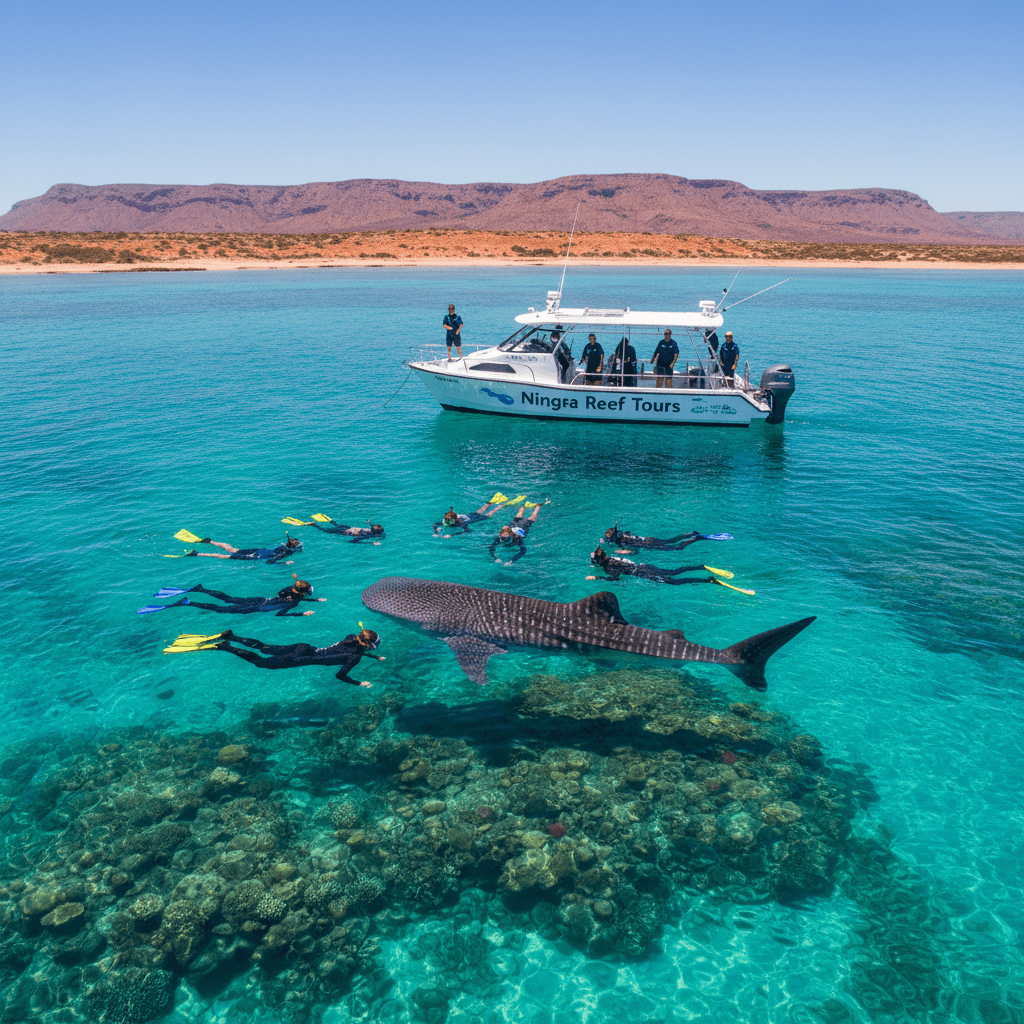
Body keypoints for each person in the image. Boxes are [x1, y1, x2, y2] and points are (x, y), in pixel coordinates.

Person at [165, 626, 386, 687]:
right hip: (297, 660)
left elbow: (351, 649)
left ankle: (232, 636)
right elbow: (340, 675)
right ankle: (226, 646)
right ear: (367, 645)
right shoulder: (355, 658)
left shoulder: (350, 637)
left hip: (304, 647)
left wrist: (373, 657)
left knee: (264, 647)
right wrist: (359, 683)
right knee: (260, 663)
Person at [139, 576, 327, 616]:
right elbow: (280, 614)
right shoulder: (294, 603)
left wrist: (313, 599)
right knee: (222, 609)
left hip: (261, 599)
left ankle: (200, 589)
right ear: (303, 593)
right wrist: (302, 614)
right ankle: (189, 602)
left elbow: (285, 594)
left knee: (228, 598)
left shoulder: (287, 589)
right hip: (258, 607)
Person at [586, 547, 723, 586]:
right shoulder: (611, 558)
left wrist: (597, 577)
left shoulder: (608, 568)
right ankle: (700, 567)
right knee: (673, 572)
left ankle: (708, 580)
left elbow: (615, 578)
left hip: (642, 573)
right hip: (645, 566)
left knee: (674, 582)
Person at [601, 524, 729, 553]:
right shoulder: (623, 534)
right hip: (649, 539)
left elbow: (634, 551)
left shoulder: (622, 542)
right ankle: (691, 534)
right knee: (670, 540)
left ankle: (696, 538)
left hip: (649, 545)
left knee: (677, 548)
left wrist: (626, 552)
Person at [183, 535, 302, 564]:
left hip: (261, 550)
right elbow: (270, 561)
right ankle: (197, 554)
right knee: (225, 556)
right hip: (257, 556)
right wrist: (284, 563)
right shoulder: (288, 552)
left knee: (233, 549)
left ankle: (210, 541)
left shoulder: (283, 545)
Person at [433, 501, 504, 537]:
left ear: (454, 520)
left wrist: (452, 535)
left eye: (449, 520)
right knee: (479, 511)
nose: (447, 522)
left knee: (487, 515)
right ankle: (489, 502)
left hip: (474, 518)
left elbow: (467, 531)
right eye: (446, 520)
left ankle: (500, 506)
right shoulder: (447, 521)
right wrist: (436, 532)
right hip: (469, 515)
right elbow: (434, 524)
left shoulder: (461, 523)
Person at [307, 517, 384, 543]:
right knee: (325, 530)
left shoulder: (370, 529)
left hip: (348, 527)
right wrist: (371, 543)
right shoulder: (369, 535)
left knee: (337, 525)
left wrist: (369, 522)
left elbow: (372, 527)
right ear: (376, 533)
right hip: (343, 532)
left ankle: (330, 521)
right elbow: (355, 540)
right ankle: (314, 525)